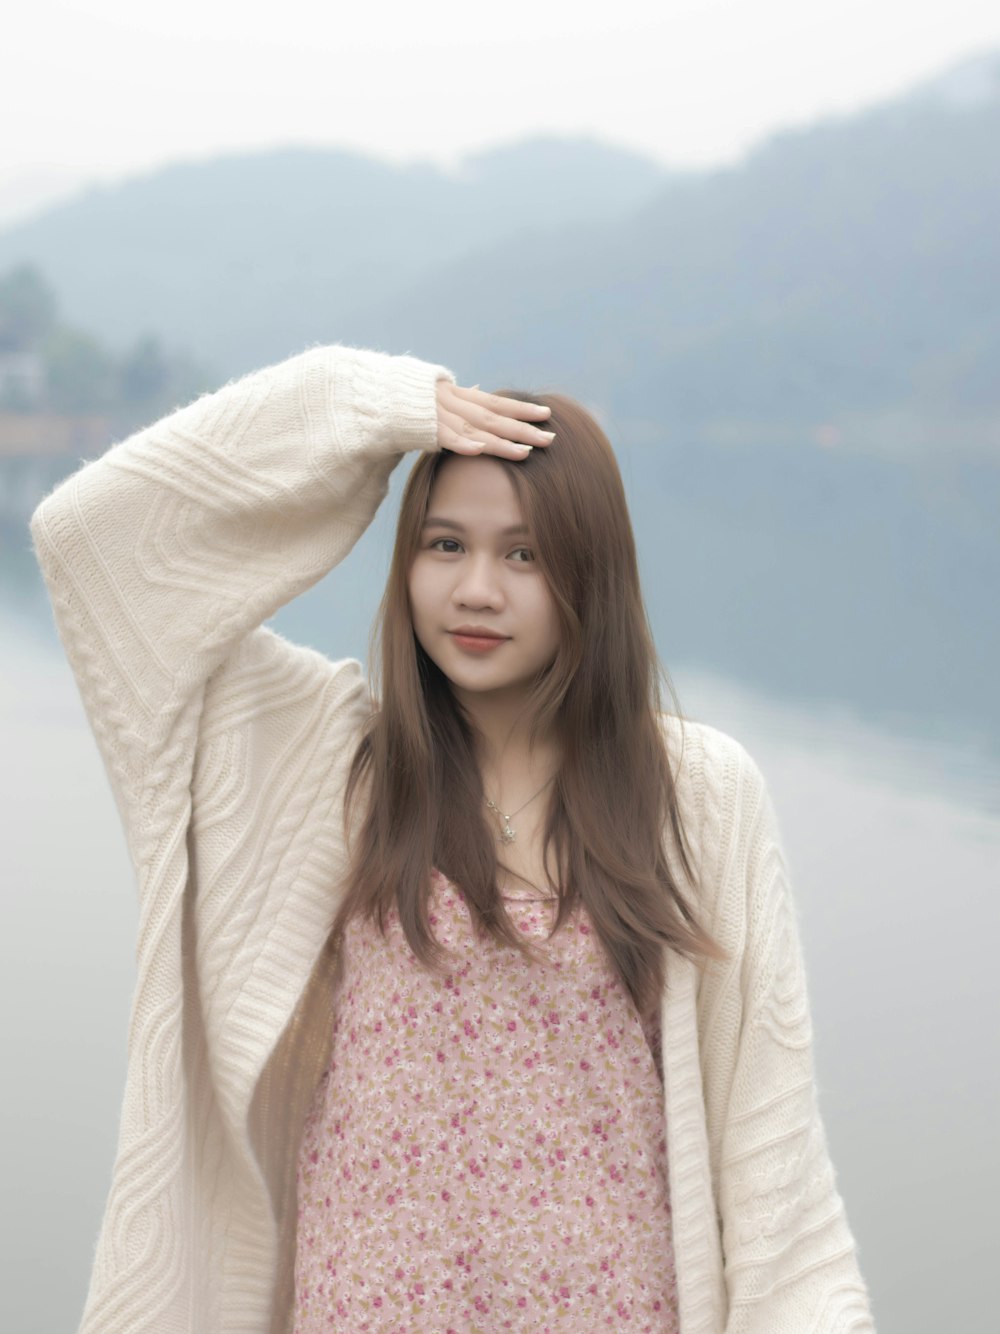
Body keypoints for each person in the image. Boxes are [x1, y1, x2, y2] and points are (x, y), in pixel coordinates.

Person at [30, 341, 875, 1333]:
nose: (477, 588)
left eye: (523, 553)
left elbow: (771, 1150)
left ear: (588, 573)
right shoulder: (326, 762)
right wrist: (375, 410)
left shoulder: (695, 794)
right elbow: (91, 542)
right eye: (444, 545)